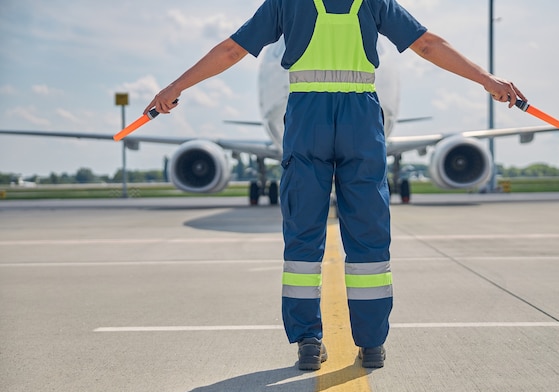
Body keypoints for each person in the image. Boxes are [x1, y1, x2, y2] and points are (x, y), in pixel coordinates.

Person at [145, 0, 526, 371]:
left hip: (307, 119)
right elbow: (427, 44)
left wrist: (175, 87)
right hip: (360, 119)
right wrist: (486, 80)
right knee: (369, 234)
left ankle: (308, 342)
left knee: (303, 235)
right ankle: (372, 343)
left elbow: (231, 51)